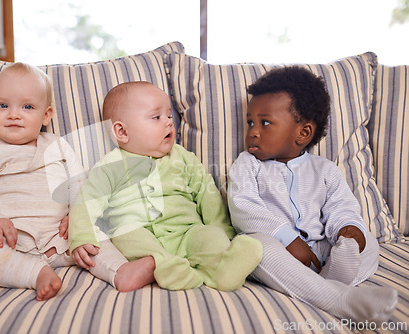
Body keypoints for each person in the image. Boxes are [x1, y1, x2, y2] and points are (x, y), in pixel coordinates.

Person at [0, 63, 154, 301]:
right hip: (11, 241)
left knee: (96, 232)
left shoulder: (58, 145)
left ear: (46, 115)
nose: (13, 114)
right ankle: (35, 273)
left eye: (27, 106)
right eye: (3, 106)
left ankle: (119, 272)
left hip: (62, 237)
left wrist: (77, 217)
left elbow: (80, 185)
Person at [228, 66, 398, 322]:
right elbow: (244, 208)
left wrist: (347, 229)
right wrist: (287, 239)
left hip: (322, 250)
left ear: (303, 133)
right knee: (255, 248)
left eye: (265, 122)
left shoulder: (325, 170)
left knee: (368, 242)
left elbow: (341, 207)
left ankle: (331, 277)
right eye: (250, 122)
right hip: (279, 250)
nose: (253, 131)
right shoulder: (248, 164)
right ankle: (337, 298)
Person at [69, 81, 262, 291]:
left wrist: (222, 230)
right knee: (126, 234)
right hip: (138, 231)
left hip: (187, 230)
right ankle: (168, 267)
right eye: (156, 117)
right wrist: (82, 236)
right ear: (122, 132)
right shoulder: (110, 166)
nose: (168, 123)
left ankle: (222, 269)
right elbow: (87, 200)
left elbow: (207, 194)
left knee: (210, 237)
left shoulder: (182, 157)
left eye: (169, 116)